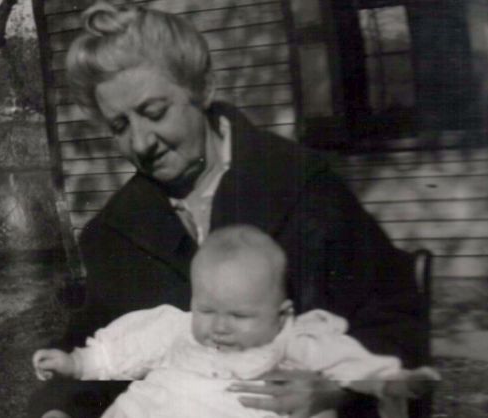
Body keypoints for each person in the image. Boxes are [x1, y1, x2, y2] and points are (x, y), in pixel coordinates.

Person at [28, 1, 427, 417]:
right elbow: (95, 350)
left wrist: (336, 390)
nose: (141, 142)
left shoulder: (304, 189)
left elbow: (397, 322)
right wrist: (61, 409)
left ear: (202, 89)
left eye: (154, 112)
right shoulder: (114, 233)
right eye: (120, 126)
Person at [33, 226, 438, 418]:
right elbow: (129, 347)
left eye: (239, 315)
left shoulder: (293, 340)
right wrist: (79, 362)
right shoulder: (179, 329)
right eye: (207, 310)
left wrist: (387, 380)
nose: (219, 327)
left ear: (281, 315)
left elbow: (346, 360)